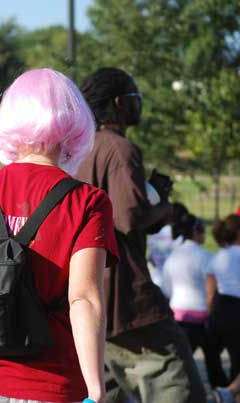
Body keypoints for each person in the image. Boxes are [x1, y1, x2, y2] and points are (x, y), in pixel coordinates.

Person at [0, 68, 119, 403]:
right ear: (74, 122)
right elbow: (84, 299)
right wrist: (96, 388)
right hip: (52, 385)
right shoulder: (87, 202)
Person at [76, 67, 206, 403]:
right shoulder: (120, 149)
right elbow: (130, 218)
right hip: (129, 301)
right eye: (136, 96)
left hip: (91, 301)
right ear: (120, 103)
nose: (140, 103)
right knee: (180, 387)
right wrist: (164, 208)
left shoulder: (79, 151)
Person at [161, 213, 227, 388]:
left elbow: (167, 288)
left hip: (179, 316)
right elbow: (214, 288)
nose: (204, 234)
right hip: (203, 317)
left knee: (181, 363)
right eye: (202, 230)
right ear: (196, 231)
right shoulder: (206, 257)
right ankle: (220, 391)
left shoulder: (172, 256)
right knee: (213, 361)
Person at [209, 214, 240, 389]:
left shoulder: (218, 256)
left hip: (220, 307)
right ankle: (232, 392)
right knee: (237, 359)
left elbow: (210, 290)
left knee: (214, 353)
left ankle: (220, 387)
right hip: (237, 307)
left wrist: (209, 314)